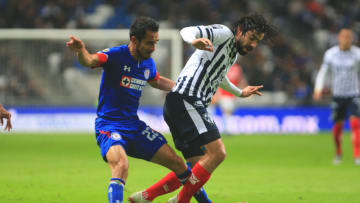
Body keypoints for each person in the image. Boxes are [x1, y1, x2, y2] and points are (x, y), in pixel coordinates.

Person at [133, 14, 277, 203]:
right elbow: (186, 31)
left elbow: (220, 76)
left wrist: (240, 92)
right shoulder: (224, 34)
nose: (253, 45)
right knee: (217, 153)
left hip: (179, 103)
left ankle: (145, 197)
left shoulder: (232, 53)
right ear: (240, 31)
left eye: (257, 42)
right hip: (188, 98)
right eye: (252, 38)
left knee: (196, 167)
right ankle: (180, 201)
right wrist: (194, 40)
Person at [66, 17, 192, 203]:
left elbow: (155, 80)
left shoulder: (147, 62)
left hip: (134, 126)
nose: (153, 48)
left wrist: (183, 89)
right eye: (149, 43)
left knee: (179, 164)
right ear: (134, 40)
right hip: (109, 126)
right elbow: (90, 60)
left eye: (155, 42)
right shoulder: (116, 55)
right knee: (121, 165)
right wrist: (81, 51)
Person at [313, 28, 360, 166]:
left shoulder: (357, 54)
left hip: (354, 94)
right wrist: (318, 88)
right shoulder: (331, 54)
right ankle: (338, 152)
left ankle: (357, 155)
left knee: (355, 124)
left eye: (349, 37)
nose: (346, 40)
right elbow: (323, 72)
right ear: (339, 38)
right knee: (338, 127)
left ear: (352, 39)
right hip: (337, 95)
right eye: (344, 37)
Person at [215, 63, 247, 134]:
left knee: (229, 112)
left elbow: (240, 80)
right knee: (227, 111)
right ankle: (227, 129)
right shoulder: (230, 67)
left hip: (233, 95)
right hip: (225, 95)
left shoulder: (234, 68)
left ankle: (227, 128)